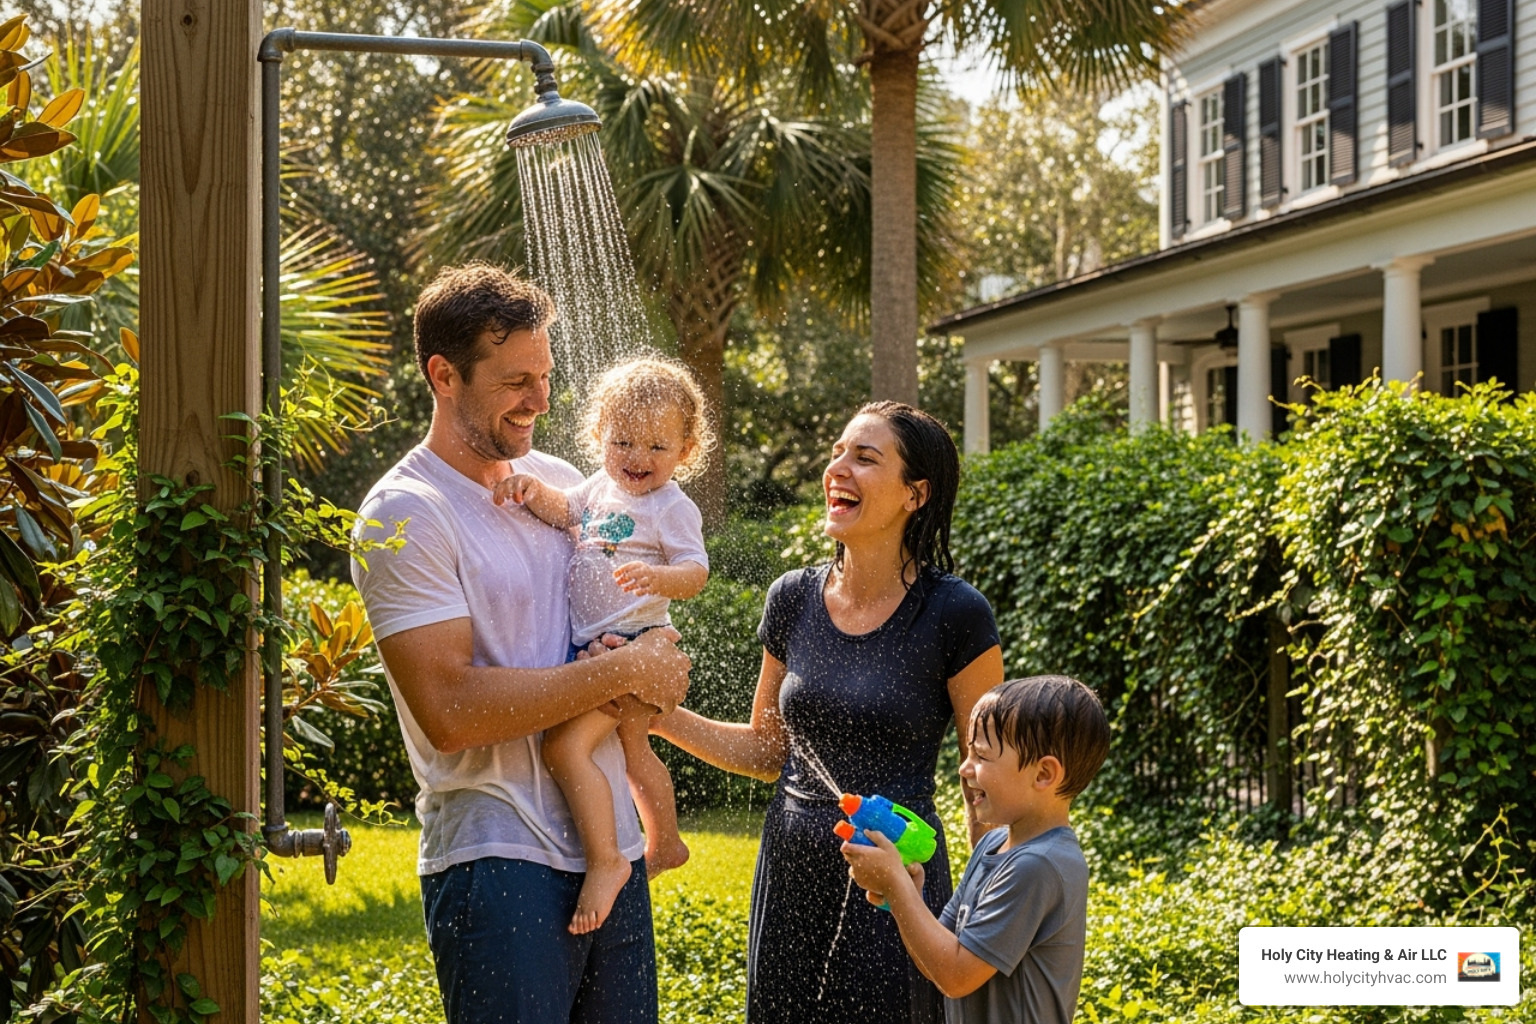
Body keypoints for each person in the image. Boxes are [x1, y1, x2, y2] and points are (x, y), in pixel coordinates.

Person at [350, 263, 690, 1024]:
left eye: (543, 374)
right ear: (444, 375)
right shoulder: (405, 514)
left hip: (612, 851)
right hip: (497, 857)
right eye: (514, 382)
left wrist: (651, 666)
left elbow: (623, 609)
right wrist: (619, 675)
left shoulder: (564, 482)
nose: (539, 399)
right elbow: (450, 709)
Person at [651, 401, 1006, 1023]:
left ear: (914, 494)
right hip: (791, 870)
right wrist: (657, 717)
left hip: (896, 880)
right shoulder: (792, 598)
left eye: (865, 458)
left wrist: (984, 912)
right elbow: (767, 750)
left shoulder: (956, 614)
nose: (838, 467)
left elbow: (989, 777)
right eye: (838, 451)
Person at [492, 356, 712, 934]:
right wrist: (528, 488)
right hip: (606, 650)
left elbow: (695, 572)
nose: (638, 459)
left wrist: (660, 580)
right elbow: (564, 510)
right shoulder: (595, 488)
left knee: (565, 750)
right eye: (623, 441)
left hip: (638, 646)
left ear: (686, 450)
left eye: (657, 448)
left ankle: (608, 859)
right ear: (598, 435)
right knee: (636, 754)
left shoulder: (671, 507)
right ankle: (665, 842)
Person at [841, 675, 1110, 1024]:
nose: (964, 768)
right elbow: (939, 958)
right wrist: (906, 894)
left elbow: (955, 977)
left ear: (1043, 774)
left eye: (981, 756)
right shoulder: (992, 845)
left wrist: (897, 885)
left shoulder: (1039, 865)